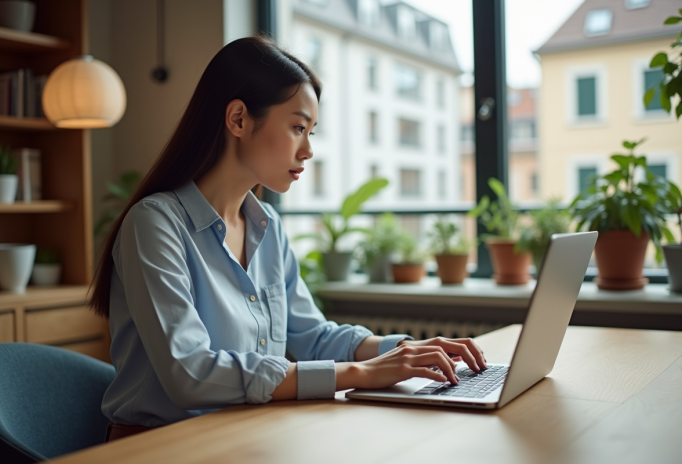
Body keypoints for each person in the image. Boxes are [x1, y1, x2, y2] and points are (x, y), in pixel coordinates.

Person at [89, 36, 487, 442]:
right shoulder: (155, 225)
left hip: (248, 435)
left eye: (311, 131)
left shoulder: (268, 228)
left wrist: (404, 352)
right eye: (298, 127)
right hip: (161, 447)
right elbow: (191, 374)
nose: (309, 150)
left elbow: (312, 337)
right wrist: (360, 373)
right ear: (239, 119)